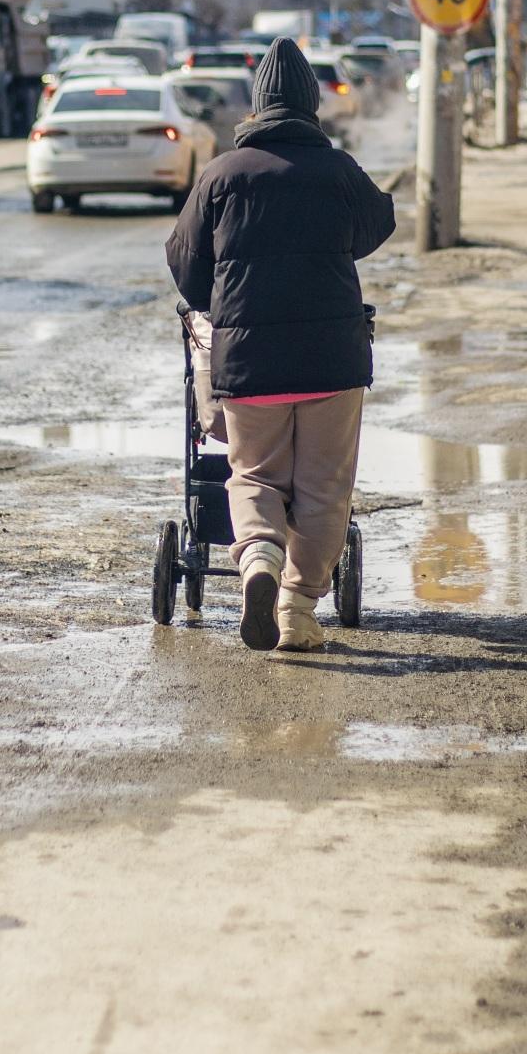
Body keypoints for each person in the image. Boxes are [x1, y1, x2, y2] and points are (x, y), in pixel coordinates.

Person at [165, 40, 396, 652]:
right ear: (311, 104)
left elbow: (184, 265)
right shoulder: (338, 170)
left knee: (255, 473)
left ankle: (260, 558)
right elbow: (378, 226)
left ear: (257, 104)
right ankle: (296, 608)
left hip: (249, 363)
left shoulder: (221, 174)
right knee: (324, 487)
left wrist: (223, 298)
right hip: (332, 360)